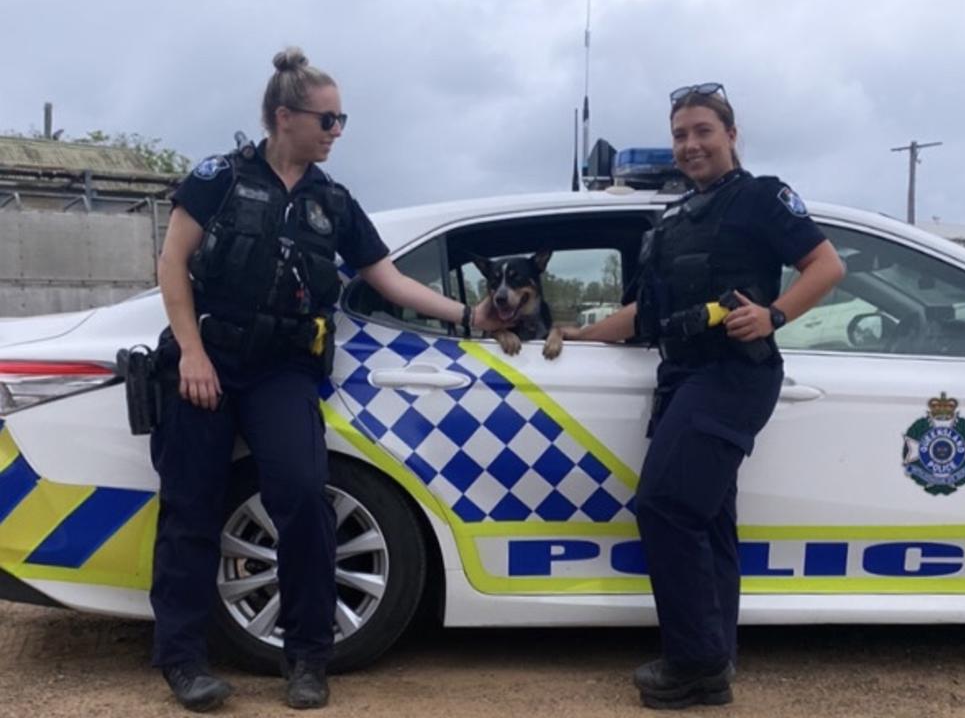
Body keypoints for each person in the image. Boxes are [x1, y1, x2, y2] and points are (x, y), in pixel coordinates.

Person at [149, 47, 505, 712]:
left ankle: (307, 658)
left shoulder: (333, 201)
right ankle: (183, 661)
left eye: (342, 119)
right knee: (191, 512)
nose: (338, 130)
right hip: (209, 362)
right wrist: (192, 354)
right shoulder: (219, 178)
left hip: (283, 370)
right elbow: (172, 262)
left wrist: (467, 314)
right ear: (285, 117)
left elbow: (387, 278)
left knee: (305, 503)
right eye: (329, 119)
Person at [558, 83, 845, 709]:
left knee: (664, 506)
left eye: (703, 132)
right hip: (682, 376)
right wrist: (579, 334)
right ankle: (714, 660)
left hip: (734, 374)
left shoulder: (761, 197)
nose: (691, 145)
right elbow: (643, 313)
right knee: (708, 517)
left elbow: (826, 265)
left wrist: (774, 314)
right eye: (681, 134)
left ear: (731, 135)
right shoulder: (673, 218)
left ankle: (694, 664)